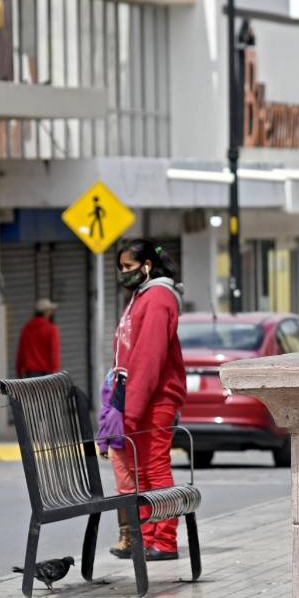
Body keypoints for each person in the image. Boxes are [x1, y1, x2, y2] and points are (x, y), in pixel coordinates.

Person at [113, 239, 186, 561]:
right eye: (121, 268)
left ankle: (165, 541)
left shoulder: (157, 297)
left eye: (128, 267)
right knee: (142, 470)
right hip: (141, 397)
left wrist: (133, 407)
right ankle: (147, 537)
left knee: (155, 468)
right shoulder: (142, 296)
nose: (123, 274)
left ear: (145, 266)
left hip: (154, 398)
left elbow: (149, 356)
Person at [97, 369, 135, 558]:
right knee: (124, 489)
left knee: (144, 486)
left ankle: (146, 535)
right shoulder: (112, 377)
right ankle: (127, 537)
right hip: (118, 441)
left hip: (139, 438)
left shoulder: (139, 372)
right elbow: (105, 409)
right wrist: (103, 441)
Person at [15, 298, 60, 377]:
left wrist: (19, 372)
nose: (51, 313)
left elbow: (21, 353)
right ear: (46, 312)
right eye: (50, 310)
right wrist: (55, 373)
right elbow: (54, 354)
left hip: (30, 374)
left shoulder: (26, 329)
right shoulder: (51, 329)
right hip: (47, 374)